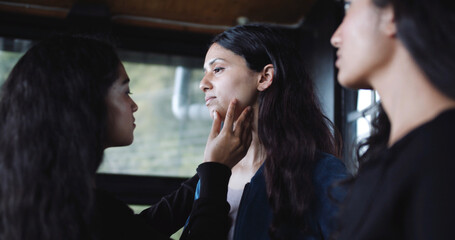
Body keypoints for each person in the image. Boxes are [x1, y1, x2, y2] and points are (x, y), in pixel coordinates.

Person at [0, 35, 252, 240]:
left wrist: (212, 169)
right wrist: (216, 171)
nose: (133, 105)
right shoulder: (77, 212)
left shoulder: (41, 198)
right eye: (125, 91)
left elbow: (137, 228)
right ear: (85, 102)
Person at [184, 24, 348, 240]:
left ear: (264, 77)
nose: (202, 84)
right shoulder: (213, 174)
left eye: (217, 69)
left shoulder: (321, 171)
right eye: (205, 73)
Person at [330, 0, 455, 239]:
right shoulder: (396, 154)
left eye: (349, 7)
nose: (335, 38)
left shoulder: (443, 153)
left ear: (391, 15)